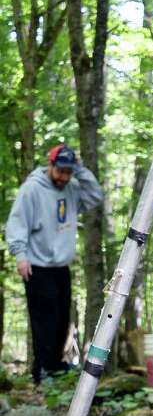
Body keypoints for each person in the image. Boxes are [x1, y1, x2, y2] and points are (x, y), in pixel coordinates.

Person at [4, 144, 104, 383]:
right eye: (60, 171)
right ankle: (42, 371)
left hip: (61, 266)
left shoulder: (71, 187)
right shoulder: (32, 189)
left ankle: (56, 367)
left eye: (69, 172)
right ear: (50, 166)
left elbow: (94, 196)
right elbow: (17, 223)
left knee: (61, 319)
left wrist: (80, 170)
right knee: (43, 320)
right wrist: (20, 256)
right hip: (37, 265)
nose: (64, 177)